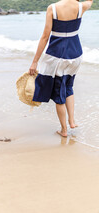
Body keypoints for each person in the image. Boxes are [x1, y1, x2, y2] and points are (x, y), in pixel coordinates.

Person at [29, 0, 93, 137]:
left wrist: (35, 62)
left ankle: (64, 130)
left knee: (59, 94)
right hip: (76, 54)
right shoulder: (82, 6)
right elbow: (90, 1)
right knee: (69, 86)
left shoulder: (53, 8)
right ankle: (72, 121)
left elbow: (45, 37)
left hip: (57, 55)